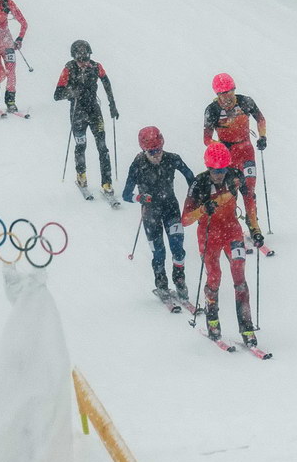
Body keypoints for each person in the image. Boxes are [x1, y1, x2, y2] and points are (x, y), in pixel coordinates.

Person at [182, 142, 256, 347]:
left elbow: (249, 199)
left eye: (222, 170)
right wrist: (203, 209)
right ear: (208, 167)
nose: (219, 175)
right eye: (215, 171)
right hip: (209, 234)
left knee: (239, 273)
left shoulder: (235, 175)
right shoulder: (199, 183)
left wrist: (255, 228)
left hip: (232, 229)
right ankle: (212, 320)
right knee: (214, 276)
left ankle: (247, 327)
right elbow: (185, 219)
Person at [122, 127, 193, 304]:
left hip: (171, 209)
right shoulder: (137, 164)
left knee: (178, 247)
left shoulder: (172, 158)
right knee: (159, 252)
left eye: (159, 150)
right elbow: (125, 195)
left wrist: (195, 196)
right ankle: (161, 283)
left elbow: (191, 178)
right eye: (152, 152)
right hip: (150, 213)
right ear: (144, 150)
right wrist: (139, 197)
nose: (157, 155)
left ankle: (179, 280)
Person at [202, 73, 269, 247]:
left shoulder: (245, 101)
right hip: (228, 156)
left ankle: (253, 225)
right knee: (231, 191)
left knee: (249, 189)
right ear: (217, 94)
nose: (228, 97)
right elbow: (206, 138)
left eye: (230, 91)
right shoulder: (212, 110)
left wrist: (262, 136)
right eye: (223, 94)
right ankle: (231, 226)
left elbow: (260, 119)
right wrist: (220, 147)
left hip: (246, 151)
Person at [54, 40, 119, 198]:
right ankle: (81, 176)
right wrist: (72, 92)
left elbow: (106, 83)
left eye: (86, 58)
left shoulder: (96, 67)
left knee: (102, 147)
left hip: (94, 111)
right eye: (80, 59)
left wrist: (112, 104)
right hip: (77, 113)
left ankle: (107, 182)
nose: (83, 62)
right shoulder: (68, 69)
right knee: (81, 145)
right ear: (74, 57)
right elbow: (57, 94)